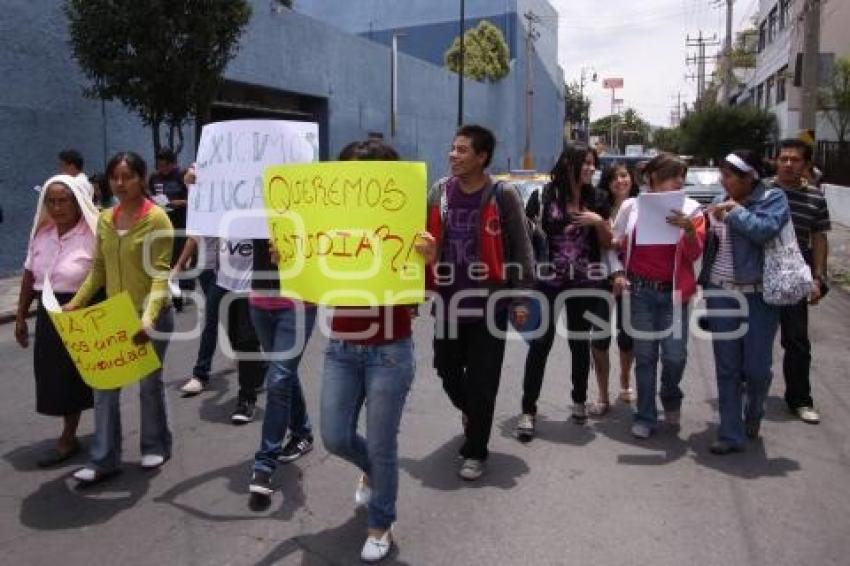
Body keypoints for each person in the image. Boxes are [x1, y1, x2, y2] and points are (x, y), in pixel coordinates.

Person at [319, 139, 426, 563]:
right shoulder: (328, 219)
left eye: (361, 172)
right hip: (342, 345)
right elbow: (312, 281)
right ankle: (373, 471)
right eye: (346, 172)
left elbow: (427, 287)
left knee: (383, 445)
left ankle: (381, 522)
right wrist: (292, 255)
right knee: (335, 435)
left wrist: (428, 259)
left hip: (390, 351)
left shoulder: (408, 220)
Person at [424, 124, 534, 480]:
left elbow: (520, 248)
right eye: (452, 149)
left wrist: (520, 297)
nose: (453, 155)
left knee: (483, 380)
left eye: (462, 150)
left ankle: (476, 451)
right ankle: (472, 412)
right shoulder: (439, 191)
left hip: (491, 305)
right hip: (448, 302)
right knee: (446, 368)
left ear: (482, 156)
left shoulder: (503, 194)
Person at [67, 151, 174, 484]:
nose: (120, 183)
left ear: (141, 178)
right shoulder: (105, 218)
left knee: (148, 384)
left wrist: (150, 319)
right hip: (116, 316)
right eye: (115, 177)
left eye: (128, 176)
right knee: (104, 386)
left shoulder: (157, 219)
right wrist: (77, 302)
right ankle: (104, 458)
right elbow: (98, 269)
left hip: (149, 315)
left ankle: (156, 444)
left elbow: (160, 275)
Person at [515, 143, 612, 441]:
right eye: (585, 163)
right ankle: (528, 410)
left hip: (585, 283)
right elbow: (526, 239)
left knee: (579, 343)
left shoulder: (598, 198)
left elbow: (609, 243)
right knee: (540, 344)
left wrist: (597, 222)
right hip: (548, 283)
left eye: (593, 164)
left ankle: (579, 400)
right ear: (569, 163)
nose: (591, 168)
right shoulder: (544, 196)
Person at [608, 153, 706, 440]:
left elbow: (695, 254)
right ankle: (646, 415)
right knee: (645, 355)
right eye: (672, 176)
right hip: (640, 292)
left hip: (674, 295)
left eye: (681, 177)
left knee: (675, 356)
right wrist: (617, 271)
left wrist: (688, 231)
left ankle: (671, 395)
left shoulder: (693, 209)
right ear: (653, 178)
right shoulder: (632, 206)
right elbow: (614, 244)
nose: (678, 182)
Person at [699, 150, 790, 454]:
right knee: (727, 367)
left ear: (749, 177)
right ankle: (730, 433)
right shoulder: (718, 196)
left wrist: (734, 212)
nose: (722, 181)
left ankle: (754, 411)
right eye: (722, 175)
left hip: (759, 296)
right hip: (720, 292)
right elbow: (705, 237)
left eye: (729, 176)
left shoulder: (773, 199)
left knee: (757, 369)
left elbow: (765, 231)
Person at [14, 174, 98, 467]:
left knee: (94, 375)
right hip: (50, 312)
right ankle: (70, 433)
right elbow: (28, 275)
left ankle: (89, 434)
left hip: (86, 309)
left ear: (77, 204)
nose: (57, 207)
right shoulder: (41, 235)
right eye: (52, 201)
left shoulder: (93, 234)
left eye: (64, 201)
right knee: (59, 377)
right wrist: (21, 315)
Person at [247, 239, 318, 495]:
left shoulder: (312, 201)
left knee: (278, 377)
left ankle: (264, 464)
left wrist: (295, 253)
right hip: (260, 301)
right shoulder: (251, 205)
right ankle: (302, 432)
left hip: (299, 303)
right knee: (283, 374)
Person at [773, 139, 831, 425]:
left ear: (806, 165)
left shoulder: (815, 198)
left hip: (797, 273)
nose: (787, 164)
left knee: (796, 341)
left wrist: (818, 277)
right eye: (783, 158)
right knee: (751, 337)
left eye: (794, 160)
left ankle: (800, 399)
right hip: (761, 274)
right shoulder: (762, 192)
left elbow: (820, 237)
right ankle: (745, 389)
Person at [587, 163, 639, 416]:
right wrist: (615, 272)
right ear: (606, 183)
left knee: (628, 337)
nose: (619, 181)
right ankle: (602, 395)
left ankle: (625, 381)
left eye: (624, 175)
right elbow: (606, 247)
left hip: (634, 281)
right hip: (601, 280)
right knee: (599, 337)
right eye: (613, 178)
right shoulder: (600, 209)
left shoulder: (641, 207)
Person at [173, 236, 221, 395]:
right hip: (206, 269)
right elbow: (194, 235)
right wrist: (180, 264)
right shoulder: (200, 211)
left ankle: (200, 374)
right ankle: (258, 365)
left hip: (230, 268)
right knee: (217, 316)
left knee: (214, 318)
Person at [148, 147, 189, 310]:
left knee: (177, 258)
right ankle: (173, 291)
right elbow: (150, 195)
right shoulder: (154, 178)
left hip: (180, 221)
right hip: (161, 221)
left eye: (165, 165)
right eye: (159, 165)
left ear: (173, 164)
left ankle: (177, 290)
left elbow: (192, 199)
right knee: (164, 258)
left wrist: (178, 202)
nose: (162, 169)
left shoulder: (182, 175)